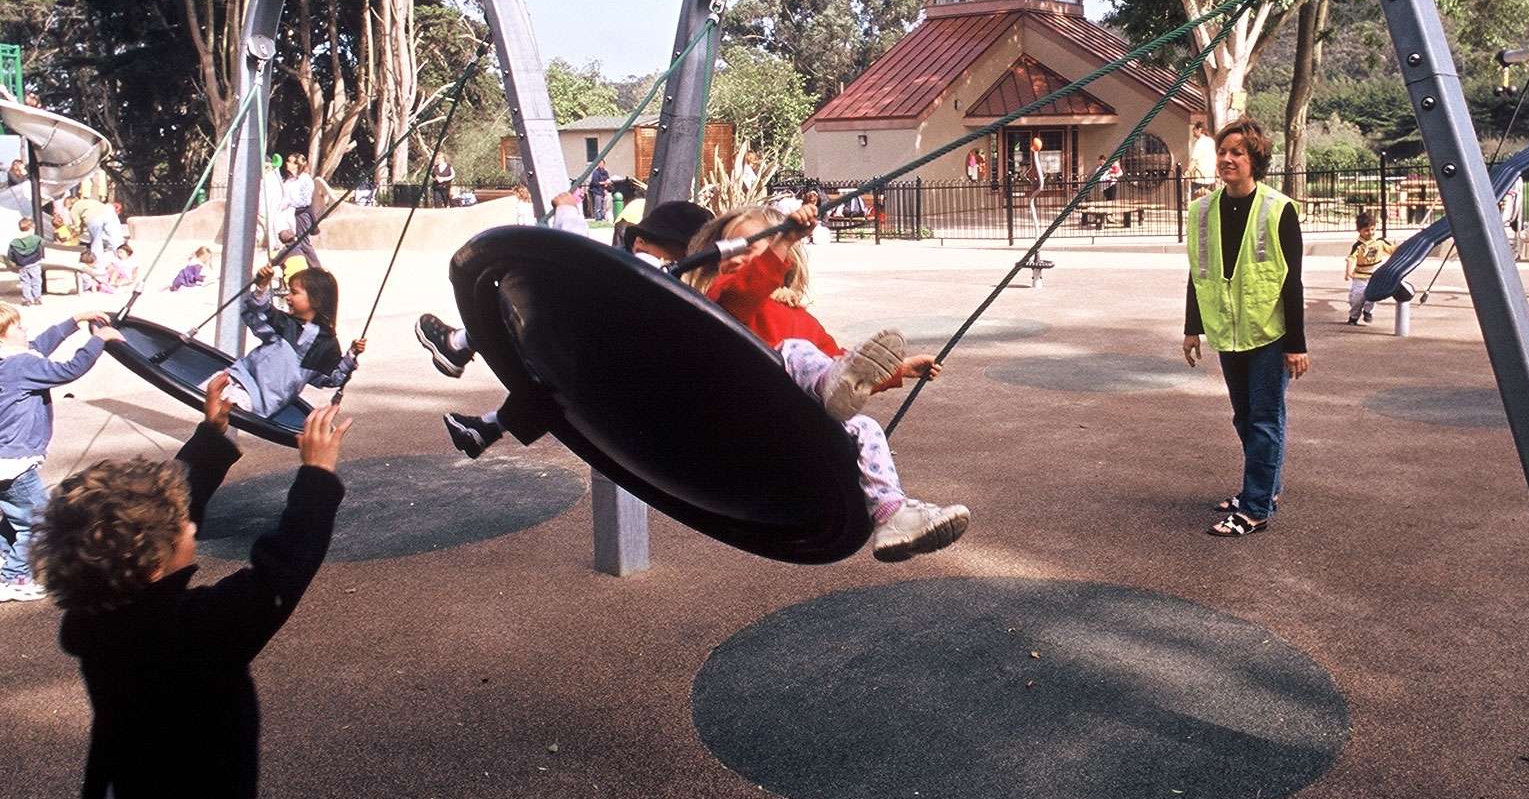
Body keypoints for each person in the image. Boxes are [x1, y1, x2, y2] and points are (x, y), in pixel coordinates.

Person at [33, 392, 351, 799]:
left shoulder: (94, 614)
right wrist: (316, 475)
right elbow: (281, 573)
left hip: (126, 795)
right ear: (151, 565)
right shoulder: (191, 631)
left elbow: (162, 512)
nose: (193, 524)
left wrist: (211, 437)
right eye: (183, 526)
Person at [686, 202, 970, 562]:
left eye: (748, 245)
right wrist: (783, 240)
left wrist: (898, 370)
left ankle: (890, 513)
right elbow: (746, 288)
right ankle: (823, 385)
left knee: (865, 427)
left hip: (797, 424)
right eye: (729, 248)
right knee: (794, 349)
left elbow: (848, 373)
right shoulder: (726, 300)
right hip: (748, 412)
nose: (735, 255)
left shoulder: (802, 320)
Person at [416, 194, 695, 456]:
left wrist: (566, 208)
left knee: (534, 302)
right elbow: (579, 257)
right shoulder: (665, 283)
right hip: (602, 384)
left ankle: (460, 345)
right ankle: (487, 426)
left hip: (580, 358)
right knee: (552, 388)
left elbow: (571, 253)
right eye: (677, 253)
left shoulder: (646, 275)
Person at [1182, 119, 1307, 538]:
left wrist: (1297, 343)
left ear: (1255, 159)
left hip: (1269, 332)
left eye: (1237, 152)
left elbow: (1292, 280)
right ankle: (1264, 488)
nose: (1227, 159)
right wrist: (1191, 328)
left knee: (1265, 419)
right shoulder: (1202, 211)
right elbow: (1197, 273)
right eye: (1223, 152)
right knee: (1246, 418)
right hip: (1228, 332)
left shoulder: (1278, 209)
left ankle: (1254, 507)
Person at [0, 302, 120, 602]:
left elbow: (39, 345)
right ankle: (12, 580)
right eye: (17, 327)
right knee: (42, 520)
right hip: (11, 461)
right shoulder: (20, 366)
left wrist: (74, 318)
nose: (25, 330)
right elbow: (70, 369)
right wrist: (99, 339)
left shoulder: (1, 361)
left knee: (16, 509)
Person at [206, 265, 364, 416]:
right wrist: (262, 286)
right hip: (238, 376)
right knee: (207, 388)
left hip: (258, 400)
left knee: (223, 408)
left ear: (316, 300)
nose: (287, 297)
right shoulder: (284, 323)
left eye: (294, 293)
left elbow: (331, 377)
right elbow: (256, 314)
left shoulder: (326, 343)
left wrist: (351, 355)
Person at [1343, 211, 1395, 326]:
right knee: (1357, 298)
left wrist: (1402, 247)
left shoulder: (1379, 242)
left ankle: (1368, 312)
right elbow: (1351, 258)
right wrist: (1349, 271)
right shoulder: (1358, 246)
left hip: (1375, 276)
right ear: (1359, 231)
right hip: (1360, 277)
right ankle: (1354, 316)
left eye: (1372, 229)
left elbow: (1393, 250)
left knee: (1371, 295)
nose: (1370, 233)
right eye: (1366, 230)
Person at [280, 153, 321, 268]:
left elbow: (304, 200)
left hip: (301, 213)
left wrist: (289, 204)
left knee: (303, 243)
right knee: (288, 239)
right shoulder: (289, 179)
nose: (286, 163)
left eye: (290, 161)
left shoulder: (305, 180)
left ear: (296, 165)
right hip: (288, 214)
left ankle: (317, 269)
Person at [7, 216, 47, 306]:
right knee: (36, 281)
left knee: (25, 283)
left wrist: (17, 262)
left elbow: (10, 255)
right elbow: (45, 244)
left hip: (22, 266)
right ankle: (37, 298)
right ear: (31, 228)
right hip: (35, 264)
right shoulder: (36, 239)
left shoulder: (14, 242)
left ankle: (27, 299)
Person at [1186, 120, 1217, 198]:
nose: (1193, 132)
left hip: (1199, 178)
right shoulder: (1211, 141)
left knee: (1198, 202)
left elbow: (1194, 160)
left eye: (1194, 129)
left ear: (1199, 129)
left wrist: (1186, 172)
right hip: (1210, 177)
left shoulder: (1199, 142)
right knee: (1208, 202)